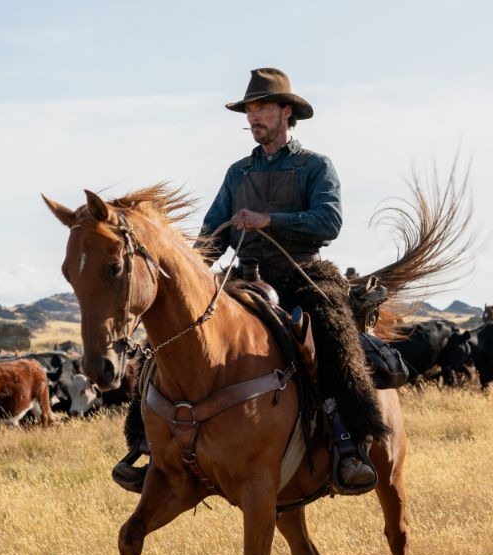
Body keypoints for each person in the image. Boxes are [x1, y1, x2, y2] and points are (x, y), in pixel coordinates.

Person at [112, 67, 384, 495]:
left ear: (286, 112)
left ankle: (349, 443)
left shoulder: (315, 166)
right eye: (250, 110)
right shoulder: (238, 173)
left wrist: (268, 220)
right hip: (245, 277)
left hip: (302, 271)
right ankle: (149, 448)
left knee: (331, 333)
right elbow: (210, 234)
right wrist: (194, 272)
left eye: (262, 108)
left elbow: (328, 221)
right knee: (170, 336)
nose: (254, 117)